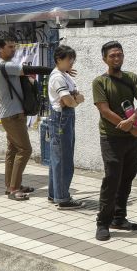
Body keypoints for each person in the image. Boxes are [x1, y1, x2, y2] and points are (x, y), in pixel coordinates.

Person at [93, 41, 137, 241]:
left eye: (119, 55)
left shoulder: (131, 77)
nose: (117, 58)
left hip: (132, 137)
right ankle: (102, 222)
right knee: (112, 179)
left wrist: (132, 122)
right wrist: (129, 126)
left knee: (127, 178)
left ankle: (119, 217)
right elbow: (104, 110)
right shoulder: (100, 82)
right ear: (104, 59)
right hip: (111, 138)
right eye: (112, 56)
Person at [0, 37, 54, 201]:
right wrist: (56, 70)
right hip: (13, 116)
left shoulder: (4, 66)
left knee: (13, 150)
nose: (13, 50)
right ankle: (14, 189)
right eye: (9, 47)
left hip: (10, 115)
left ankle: (10, 186)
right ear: (0, 49)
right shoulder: (5, 66)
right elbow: (32, 68)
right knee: (25, 150)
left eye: (14, 47)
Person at [44, 45, 85, 209]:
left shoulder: (64, 75)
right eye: (69, 59)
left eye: (73, 59)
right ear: (58, 59)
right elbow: (69, 101)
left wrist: (74, 98)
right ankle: (62, 198)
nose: (72, 63)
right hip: (61, 119)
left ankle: (55, 194)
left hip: (64, 117)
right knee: (63, 158)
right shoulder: (58, 77)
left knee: (58, 157)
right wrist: (75, 100)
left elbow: (74, 96)